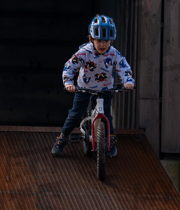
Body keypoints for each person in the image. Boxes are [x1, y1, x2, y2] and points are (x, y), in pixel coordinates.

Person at [52, 14, 135, 158]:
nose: (103, 45)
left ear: (111, 41)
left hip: (105, 89)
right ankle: (62, 138)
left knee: (107, 117)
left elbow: (124, 67)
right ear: (91, 39)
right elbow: (69, 66)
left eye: (106, 41)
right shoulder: (84, 52)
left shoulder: (113, 54)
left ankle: (110, 140)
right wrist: (68, 83)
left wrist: (128, 81)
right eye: (99, 41)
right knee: (74, 115)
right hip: (84, 88)